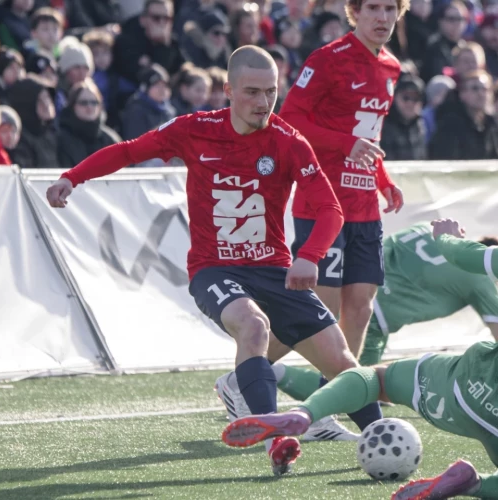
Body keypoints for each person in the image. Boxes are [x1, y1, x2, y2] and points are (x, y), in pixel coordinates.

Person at [45, 46, 384, 476]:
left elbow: (330, 209)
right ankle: (277, 440)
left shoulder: (288, 141)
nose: (263, 103)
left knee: (343, 364)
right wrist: (72, 177)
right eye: (252, 92)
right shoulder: (194, 130)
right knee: (254, 325)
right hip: (214, 269)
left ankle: (382, 436)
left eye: (271, 92)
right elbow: (130, 151)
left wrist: (309, 257)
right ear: (227, 91)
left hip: (276, 270)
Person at [223, 188, 498, 500]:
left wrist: (446, 234)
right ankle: (470, 483)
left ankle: (303, 413)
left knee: (374, 379)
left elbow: (468, 256)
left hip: (468, 390)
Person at [279, 0, 407, 371]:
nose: (382, 17)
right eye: (373, 8)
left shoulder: (391, 67)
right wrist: (344, 144)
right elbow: (290, 120)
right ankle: (244, 376)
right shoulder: (327, 59)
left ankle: (334, 395)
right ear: (355, 11)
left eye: (390, 8)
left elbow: (369, 132)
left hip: (365, 205)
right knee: (320, 312)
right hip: (323, 203)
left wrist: (382, 179)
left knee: (361, 308)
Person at [273, 223, 498, 401]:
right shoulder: (481, 277)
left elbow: (385, 245)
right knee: (356, 389)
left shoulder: (425, 228)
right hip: (371, 317)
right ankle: (271, 373)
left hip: (349, 286)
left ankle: (259, 368)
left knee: (345, 372)